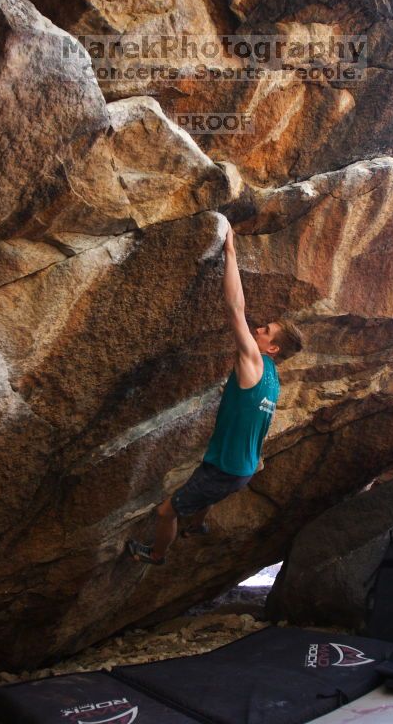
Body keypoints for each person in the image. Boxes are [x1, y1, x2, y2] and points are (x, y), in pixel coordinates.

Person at [127, 222, 304, 565]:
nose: (258, 329)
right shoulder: (273, 377)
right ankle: (198, 524)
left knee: (167, 511)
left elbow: (235, 308)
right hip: (241, 469)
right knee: (205, 491)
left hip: (224, 470)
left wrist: (231, 252)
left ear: (272, 348)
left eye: (266, 331)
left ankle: (157, 554)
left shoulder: (253, 360)